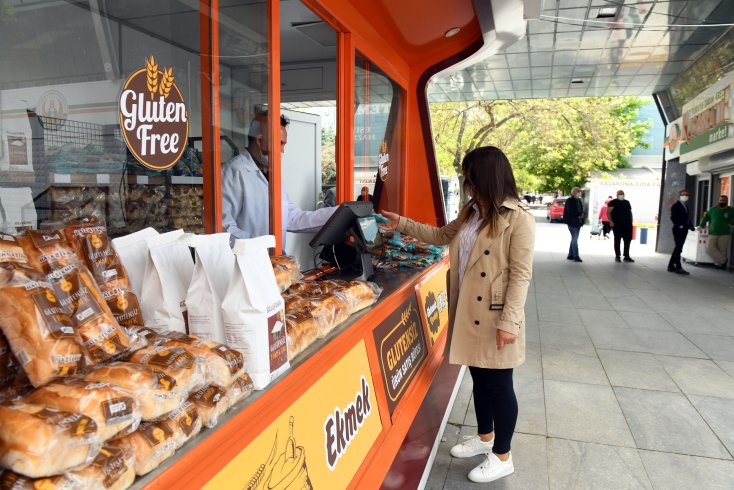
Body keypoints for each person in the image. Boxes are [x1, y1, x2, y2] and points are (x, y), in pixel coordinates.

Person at [381, 146, 535, 484]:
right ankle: (484, 439)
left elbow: (521, 274)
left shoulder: (518, 218)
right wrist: (402, 223)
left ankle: (503, 455)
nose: (466, 182)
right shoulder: (472, 212)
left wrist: (510, 321)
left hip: (495, 316)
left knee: (499, 385)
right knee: (479, 379)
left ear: (485, 177)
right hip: (468, 310)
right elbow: (439, 237)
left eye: (470, 175)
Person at [221, 113, 336, 245]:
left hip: (272, 259)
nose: (282, 150)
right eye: (280, 143)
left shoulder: (271, 173)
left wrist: (337, 214)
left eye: (284, 144)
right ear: (259, 141)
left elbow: (291, 217)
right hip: (246, 260)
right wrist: (259, 246)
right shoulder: (233, 172)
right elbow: (223, 227)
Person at [699, 194, 734, 269]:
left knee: (722, 249)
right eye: (720, 200)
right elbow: (706, 218)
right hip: (713, 232)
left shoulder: (731, 210)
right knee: (709, 247)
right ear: (718, 201)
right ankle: (723, 260)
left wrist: (730, 223)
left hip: (725, 233)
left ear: (727, 201)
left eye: (724, 201)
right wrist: (701, 225)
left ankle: (719, 264)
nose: (722, 202)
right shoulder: (713, 209)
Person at [668, 190, 695, 274]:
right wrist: (679, 225)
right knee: (678, 248)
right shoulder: (676, 206)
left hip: (684, 229)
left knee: (678, 248)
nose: (685, 196)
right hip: (678, 229)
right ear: (680, 196)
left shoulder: (685, 206)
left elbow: (687, 218)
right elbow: (673, 217)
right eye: (683, 195)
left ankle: (671, 265)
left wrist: (691, 226)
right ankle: (678, 267)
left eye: (686, 195)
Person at [606, 190, 634, 262]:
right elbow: (608, 212)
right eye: (620, 194)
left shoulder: (627, 202)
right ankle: (617, 256)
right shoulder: (613, 202)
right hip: (617, 224)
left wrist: (631, 222)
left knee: (627, 240)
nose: (621, 195)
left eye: (622, 194)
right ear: (617, 195)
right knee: (617, 240)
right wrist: (611, 221)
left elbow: (630, 212)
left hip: (627, 224)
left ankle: (626, 256)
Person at [563, 187, 583, 262]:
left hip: (579, 222)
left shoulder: (578, 200)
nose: (579, 193)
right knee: (575, 239)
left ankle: (570, 255)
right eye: (578, 191)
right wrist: (578, 215)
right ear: (573, 192)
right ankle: (576, 256)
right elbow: (570, 210)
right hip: (572, 222)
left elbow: (581, 209)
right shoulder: (569, 200)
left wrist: (582, 214)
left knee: (574, 239)